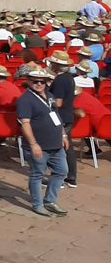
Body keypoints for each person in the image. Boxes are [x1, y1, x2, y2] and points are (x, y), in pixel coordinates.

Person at [17, 67, 69, 216]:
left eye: (42, 81)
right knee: (37, 174)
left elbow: (56, 116)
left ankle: (50, 201)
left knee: (61, 171)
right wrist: (33, 144)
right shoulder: (25, 100)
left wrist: (63, 135)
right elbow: (25, 123)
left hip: (56, 144)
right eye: (35, 81)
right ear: (28, 82)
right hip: (39, 146)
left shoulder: (50, 96)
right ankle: (37, 204)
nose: (39, 84)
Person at [45, 50, 78, 188]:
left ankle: (59, 176)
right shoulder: (69, 77)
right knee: (67, 146)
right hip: (68, 114)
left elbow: (58, 102)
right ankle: (70, 177)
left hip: (60, 116)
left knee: (56, 147)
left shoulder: (60, 80)